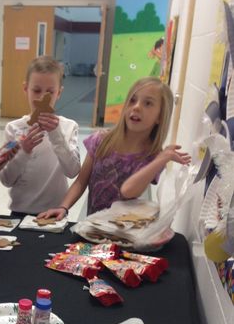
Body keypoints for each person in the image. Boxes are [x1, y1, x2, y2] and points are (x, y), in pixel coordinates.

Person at [38, 77, 191, 221]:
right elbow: (80, 182)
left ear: (160, 116)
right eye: (132, 100)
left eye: (148, 103)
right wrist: (63, 207)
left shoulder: (153, 157)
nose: (136, 107)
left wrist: (162, 159)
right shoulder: (101, 140)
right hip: (93, 227)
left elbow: (128, 191)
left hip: (123, 233)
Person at [0, 55, 80, 215]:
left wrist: (56, 134)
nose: (42, 98)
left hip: (55, 213)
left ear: (59, 93)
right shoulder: (14, 128)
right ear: (25, 89)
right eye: (36, 90)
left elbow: (72, 171)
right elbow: (6, 179)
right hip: (19, 211)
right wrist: (24, 151)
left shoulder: (68, 127)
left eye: (50, 92)